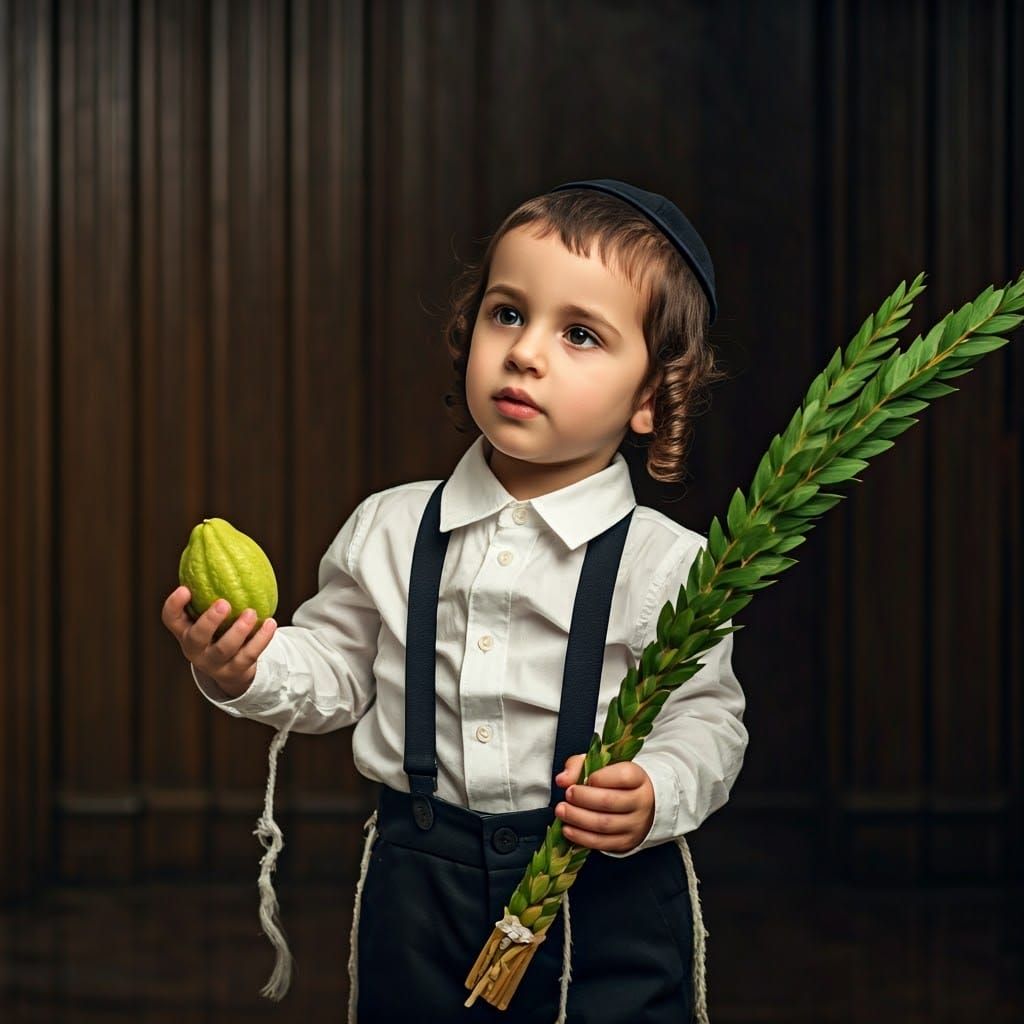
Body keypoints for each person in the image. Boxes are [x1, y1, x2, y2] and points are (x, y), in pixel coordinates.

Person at [162, 178, 748, 1024]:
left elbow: (709, 721)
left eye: (580, 333)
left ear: (655, 397)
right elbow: (334, 670)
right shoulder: (391, 527)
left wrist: (654, 787)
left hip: (601, 897)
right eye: (507, 313)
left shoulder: (673, 566)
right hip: (418, 893)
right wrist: (244, 663)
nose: (525, 352)